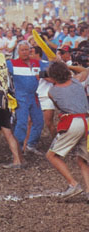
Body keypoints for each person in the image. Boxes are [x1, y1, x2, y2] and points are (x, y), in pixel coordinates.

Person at [45, 61, 89, 201]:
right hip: (87, 121)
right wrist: (68, 66)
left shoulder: (52, 91)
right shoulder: (76, 82)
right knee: (83, 160)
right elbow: (84, 70)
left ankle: (73, 184)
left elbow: (60, 107)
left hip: (72, 122)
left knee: (52, 155)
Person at [7, 41, 44, 154]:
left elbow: (53, 67)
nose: (24, 52)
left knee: (39, 122)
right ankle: (17, 149)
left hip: (34, 96)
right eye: (22, 50)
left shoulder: (37, 63)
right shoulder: (11, 63)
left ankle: (31, 145)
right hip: (20, 96)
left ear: (30, 50)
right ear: (18, 51)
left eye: (26, 49)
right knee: (22, 122)